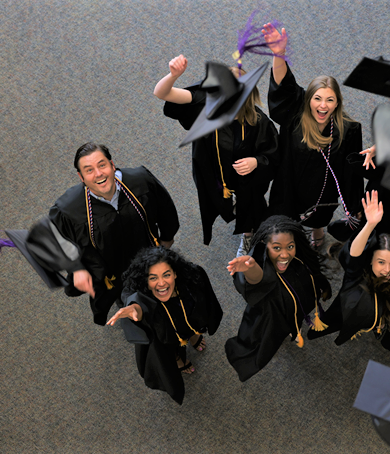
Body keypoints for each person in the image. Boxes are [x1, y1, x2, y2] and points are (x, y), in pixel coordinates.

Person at [34, 142, 180, 325]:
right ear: (81, 177)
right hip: (112, 272)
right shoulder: (69, 210)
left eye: (102, 165)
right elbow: (55, 242)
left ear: (112, 165)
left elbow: (165, 209)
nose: (98, 174)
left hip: (150, 253)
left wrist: (167, 237)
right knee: (135, 309)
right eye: (89, 170)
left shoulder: (140, 181)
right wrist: (76, 269)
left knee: (173, 296)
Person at [155, 54, 278, 255]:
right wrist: (173, 75)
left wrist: (256, 162)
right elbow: (162, 93)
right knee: (215, 199)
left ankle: (247, 235)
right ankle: (231, 206)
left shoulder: (258, 121)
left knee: (250, 205)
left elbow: (273, 155)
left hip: (246, 178)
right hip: (214, 171)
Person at [261, 23, 365, 248]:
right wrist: (279, 54)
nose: (323, 105)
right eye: (317, 98)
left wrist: (355, 205)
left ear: (337, 103)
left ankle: (317, 232)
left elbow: (351, 173)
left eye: (330, 100)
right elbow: (283, 86)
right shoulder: (295, 112)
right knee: (282, 224)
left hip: (321, 190)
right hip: (289, 182)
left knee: (318, 218)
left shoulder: (349, 130)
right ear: (308, 99)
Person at [308, 191, 390, 350]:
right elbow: (353, 255)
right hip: (352, 313)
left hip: (388, 317)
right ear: (370, 261)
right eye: (381, 262)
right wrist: (370, 225)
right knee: (329, 324)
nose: (387, 270)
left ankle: (381, 332)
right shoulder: (358, 273)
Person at [107, 247, 222, 404]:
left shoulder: (190, 280)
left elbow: (204, 300)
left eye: (166, 275)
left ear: (175, 274)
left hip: (187, 319)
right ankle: (177, 357)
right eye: (153, 278)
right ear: (146, 281)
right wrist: (135, 309)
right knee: (167, 347)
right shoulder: (142, 294)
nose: (161, 283)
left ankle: (193, 335)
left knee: (192, 323)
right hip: (166, 331)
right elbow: (139, 305)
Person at [225, 215, 331, 382]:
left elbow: (313, 272)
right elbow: (257, 279)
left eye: (290, 246)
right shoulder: (264, 268)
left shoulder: (299, 259)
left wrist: (322, 286)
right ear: (265, 245)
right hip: (275, 314)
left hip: (299, 305)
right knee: (275, 334)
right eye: (276, 248)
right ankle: (290, 329)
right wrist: (250, 268)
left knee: (295, 319)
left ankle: (294, 326)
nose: (284, 255)